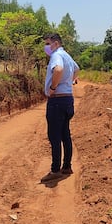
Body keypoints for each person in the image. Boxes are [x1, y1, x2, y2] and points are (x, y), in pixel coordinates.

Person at [41, 32, 80, 183]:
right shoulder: (67, 56)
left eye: (48, 43)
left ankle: (55, 169)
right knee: (65, 134)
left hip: (56, 100)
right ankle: (67, 166)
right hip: (68, 99)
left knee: (55, 136)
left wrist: (53, 87)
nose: (47, 47)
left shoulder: (56, 55)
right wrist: (69, 82)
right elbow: (76, 69)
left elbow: (57, 70)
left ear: (55, 43)